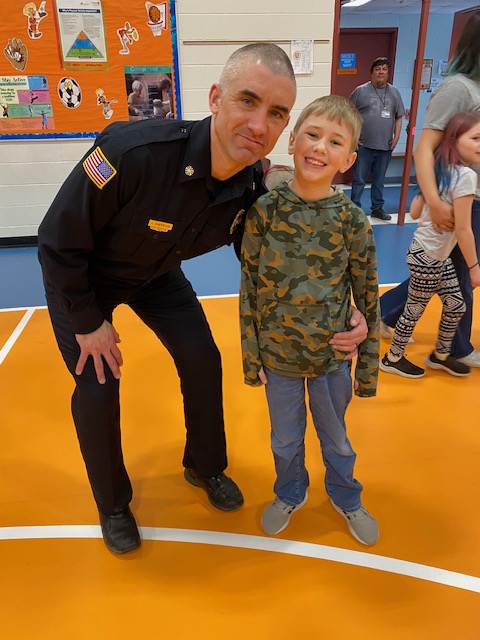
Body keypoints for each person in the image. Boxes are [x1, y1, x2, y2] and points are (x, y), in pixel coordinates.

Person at [37, 44, 368, 555]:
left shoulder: (251, 185)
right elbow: (56, 239)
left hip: (155, 275)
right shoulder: (131, 152)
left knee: (202, 358)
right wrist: (87, 320)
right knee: (99, 383)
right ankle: (113, 503)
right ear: (216, 98)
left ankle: (205, 466)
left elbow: (276, 263)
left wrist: (347, 309)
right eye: (247, 101)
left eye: (276, 113)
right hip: (82, 278)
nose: (258, 124)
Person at [240, 95, 379, 545]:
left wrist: (368, 371)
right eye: (313, 135)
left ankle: (346, 495)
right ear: (293, 141)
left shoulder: (352, 220)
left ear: (348, 160)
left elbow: (368, 295)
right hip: (277, 357)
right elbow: (249, 289)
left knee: (336, 440)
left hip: (331, 358)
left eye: (335, 142)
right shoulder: (264, 211)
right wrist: (251, 357)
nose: (320, 147)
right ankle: (290, 492)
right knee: (284, 440)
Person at [380, 12, 480, 367]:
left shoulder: (455, 175)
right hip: (443, 229)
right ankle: (411, 355)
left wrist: (429, 200)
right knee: (431, 296)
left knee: (441, 288)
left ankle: (438, 346)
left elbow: (415, 211)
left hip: (429, 248)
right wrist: (434, 201)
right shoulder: (459, 89)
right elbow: (424, 148)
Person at [380, 112, 480, 379]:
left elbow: (414, 212)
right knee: (414, 310)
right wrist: (474, 267)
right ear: (454, 141)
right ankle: (392, 358)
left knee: (455, 304)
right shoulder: (466, 176)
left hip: (428, 254)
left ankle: (440, 355)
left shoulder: (439, 171)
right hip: (429, 257)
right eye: (475, 138)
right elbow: (464, 229)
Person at [349, 57, 405, 221]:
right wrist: (353, 137)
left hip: (385, 146)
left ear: (388, 72)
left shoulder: (395, 93)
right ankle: (354, 209)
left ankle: (377, 209)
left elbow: (399, 116)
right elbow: (347, 114)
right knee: (359, 179)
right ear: (372, 72)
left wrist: (397, 137)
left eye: (384, 69)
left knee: (379, 181)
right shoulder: (360, 91)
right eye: (378, 69)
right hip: (363, 146)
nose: (381, 72)